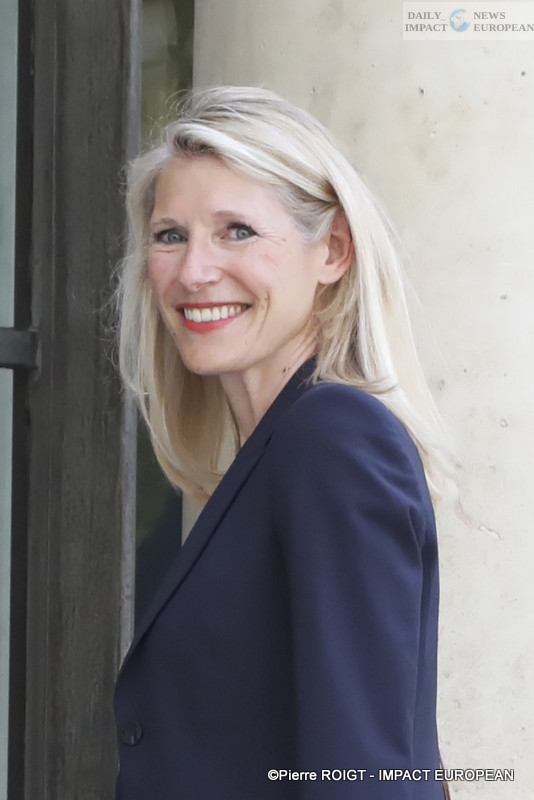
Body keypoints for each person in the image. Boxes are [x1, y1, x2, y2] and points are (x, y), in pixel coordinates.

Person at [113, 85, 454, 799]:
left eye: (236, 230)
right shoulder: (274, 455)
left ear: (331, 251)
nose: (194, 270)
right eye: (171, 234)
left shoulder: (334, 442)